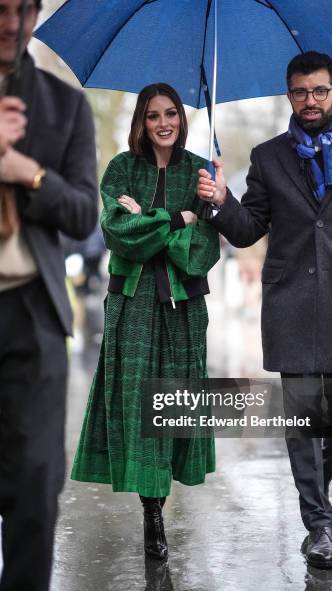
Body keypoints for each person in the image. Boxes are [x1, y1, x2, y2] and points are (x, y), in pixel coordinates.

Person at [197, 51, 332, 569]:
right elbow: (248, 229)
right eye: (301, 92)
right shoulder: (267, 157)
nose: (310, 100)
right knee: (302, 418)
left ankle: (312, 488)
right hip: (289, 301)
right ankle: (321, 527)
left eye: (320, 91)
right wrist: (220, 201)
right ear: (289, 95)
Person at [71, 83, 220, 561]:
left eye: (171, 113)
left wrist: (160, 220)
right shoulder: (121, 168)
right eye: (153, 115)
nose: (163, 123)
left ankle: (163, 494)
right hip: (132, 305)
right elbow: (119, 234)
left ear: (181, 118)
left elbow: (203, 252)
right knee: (139, 405)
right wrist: (178, 219)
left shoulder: (200, 173)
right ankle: (151, 510)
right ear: (141, 120)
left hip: (184, 307)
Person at [0, 0, 97, 591]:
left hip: (34, 310)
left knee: (34, 485)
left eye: (20, 9)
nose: (10, 23)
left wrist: (28, 173)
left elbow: (83, 215)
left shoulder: (65, 105)